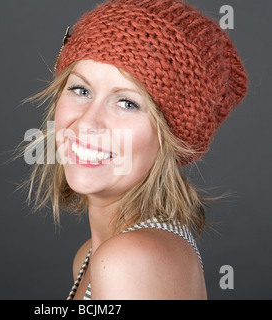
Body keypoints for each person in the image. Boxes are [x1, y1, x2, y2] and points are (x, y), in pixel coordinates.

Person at [21, 0, 248, 300]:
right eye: (81, 89)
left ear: (170, 137)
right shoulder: (92, 256)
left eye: (127, 103)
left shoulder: (127, 262)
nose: (88, 123)